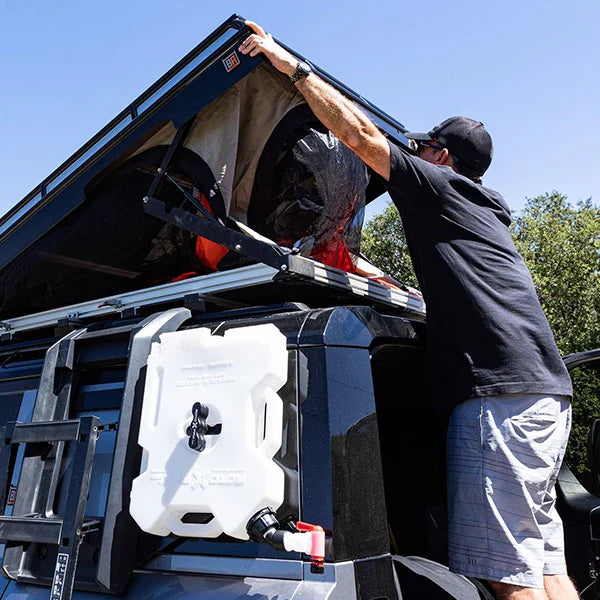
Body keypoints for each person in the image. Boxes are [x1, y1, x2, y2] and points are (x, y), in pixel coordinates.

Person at [239, 21, 578, 600]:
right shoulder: (485, 213)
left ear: (439, 156)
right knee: (544, 569)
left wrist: (283, 63)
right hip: (544, 396)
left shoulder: (439, 188)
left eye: (419, 149)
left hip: (498, 400)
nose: (411, 155)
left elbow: (359, 134)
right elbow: (454, 290)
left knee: (503, 576)